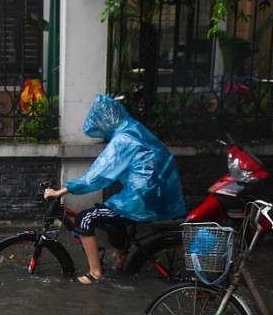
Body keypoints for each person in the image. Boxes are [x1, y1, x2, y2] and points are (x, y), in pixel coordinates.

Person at [44, 94, 186, 284]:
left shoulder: (123, 140)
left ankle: (95, 273)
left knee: (85, 218)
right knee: (111, 217)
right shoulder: (134, 129)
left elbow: (95, 177)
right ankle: (122, 256)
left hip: (141, 199)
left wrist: (60, 191)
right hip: (154, 196)